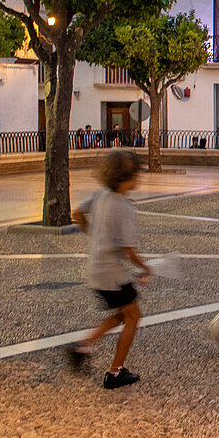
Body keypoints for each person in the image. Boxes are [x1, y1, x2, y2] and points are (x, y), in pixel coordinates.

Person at [68, 150, 151, 390]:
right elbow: (128, 249)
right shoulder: (123, 207)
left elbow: (77, 213)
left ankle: (83, 345)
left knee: (122, 315)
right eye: (138, 173)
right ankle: (115, 373)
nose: (140, 178)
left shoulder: (101, 195)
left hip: (96, 270)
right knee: (134, 317)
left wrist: (92, 233)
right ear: (128, 176)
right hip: (112, 274)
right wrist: (144, 266)